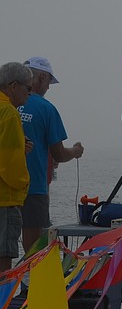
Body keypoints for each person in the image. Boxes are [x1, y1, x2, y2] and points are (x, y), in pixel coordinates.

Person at [19, 57, 84, 253]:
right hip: (33, 187)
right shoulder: (46, 109)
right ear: (41, 77)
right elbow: (60, 153)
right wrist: (75, 151)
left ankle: (9, 282)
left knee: (6, 246)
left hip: (6, 186)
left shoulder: (7, 105)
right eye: (48, 82)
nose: (48, 87)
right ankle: (32, 283)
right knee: (34, 246)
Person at [0, 62, 33, 272]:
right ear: (13, 86)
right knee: (4, 263)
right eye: (27, 88)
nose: (29, 94)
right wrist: (23, 186)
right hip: (5, 200)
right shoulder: (10, 113)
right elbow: (9, 164)